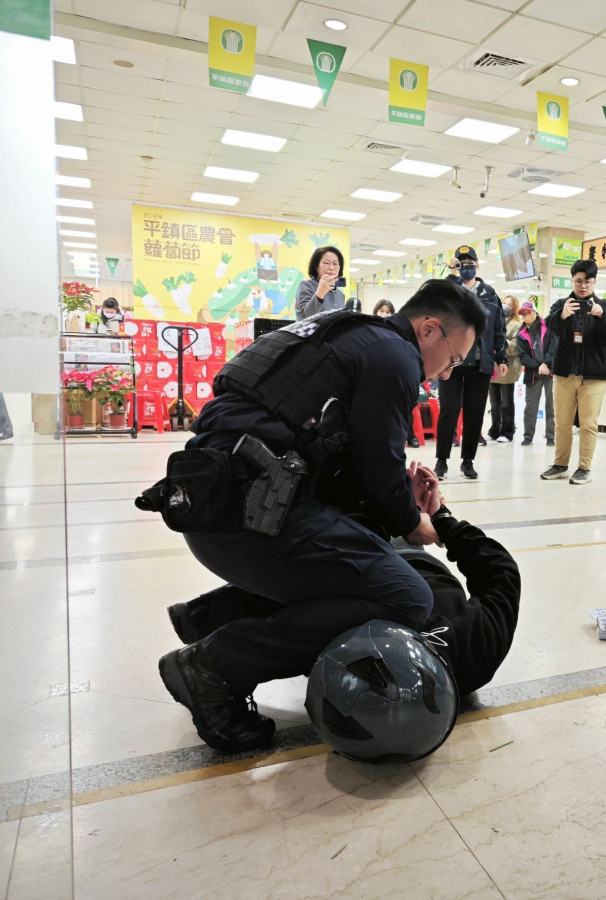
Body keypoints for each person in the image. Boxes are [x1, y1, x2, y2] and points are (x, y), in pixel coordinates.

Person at [138, 279, 484, 753]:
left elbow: (349, 461)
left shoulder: (345, 333)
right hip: (251, 517)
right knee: (406, 598)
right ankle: (217, 664)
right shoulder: (396, 356)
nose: (446, 372)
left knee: (365, 549)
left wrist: (396, 494)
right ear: (429, 329)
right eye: (453, 358)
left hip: (216, 503)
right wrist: (415, 523)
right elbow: (378, 472)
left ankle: (215, 617)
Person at [164, 460, 522, 715]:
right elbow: (500, 571)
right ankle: (208, 626)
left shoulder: (348, 665)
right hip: (400, 554)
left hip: (372, 551)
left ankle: (205, 617)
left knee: (324, 594)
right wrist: (436, 518)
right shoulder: (477, 654)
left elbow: (501, 572)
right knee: (332, 589)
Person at [541, 260, 606, 485]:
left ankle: (584, 467)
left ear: (594, 282)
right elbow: (551, 326)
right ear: (572, 280)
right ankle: (560, 464)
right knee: (562, 422)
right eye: (578, 281)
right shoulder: (561, 304)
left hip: (594, 376)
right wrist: (563, 315)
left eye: (587, 281)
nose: (583, 285)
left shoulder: (605, 305)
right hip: (565, 374)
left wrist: (601, 314)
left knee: (588, 423)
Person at [434, 246, 507, 481]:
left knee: (475, 414)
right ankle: (442, 460)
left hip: (480, 362)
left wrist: (501, 357)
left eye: (470, 263)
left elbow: (499, 329)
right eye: (462, 263)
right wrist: (453, 276)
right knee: (449, 411)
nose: (466, 266)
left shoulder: (489, 294)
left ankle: (468, 461)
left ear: (478, 265)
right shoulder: (449, 290)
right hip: (451, 362)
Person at [516, 300, 556, 447]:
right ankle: (528, 436)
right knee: (530, 406)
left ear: (535, 312)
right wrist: (539, 366)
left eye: (528, 312)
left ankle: (551, 436)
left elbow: (553, 348)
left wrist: (546, 364)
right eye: (523, 314)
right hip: (533, 374)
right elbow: (523, 356)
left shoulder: (549, 328)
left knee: (551, 405)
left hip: (550, 372)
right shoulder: (521, 335)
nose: (525, 315)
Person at [487, 296, 521, 443]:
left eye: (509, 304)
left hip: (508, 368)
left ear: (514, 309)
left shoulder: (516, 325)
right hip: (492, 369)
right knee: (494, 403)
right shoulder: (493, 322)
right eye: (504, 303)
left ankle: (507, 431)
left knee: (506, 402)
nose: (505, 306)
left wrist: (500, 340)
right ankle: (494, 430)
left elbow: (515, 348)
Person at [295, 246, 346, 319]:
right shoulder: (306, 286)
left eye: (335, 264)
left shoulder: (340, 294)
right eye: (326, 263)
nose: (331, 267)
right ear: (316, 266)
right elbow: (308, 315)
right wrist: (320, 292)